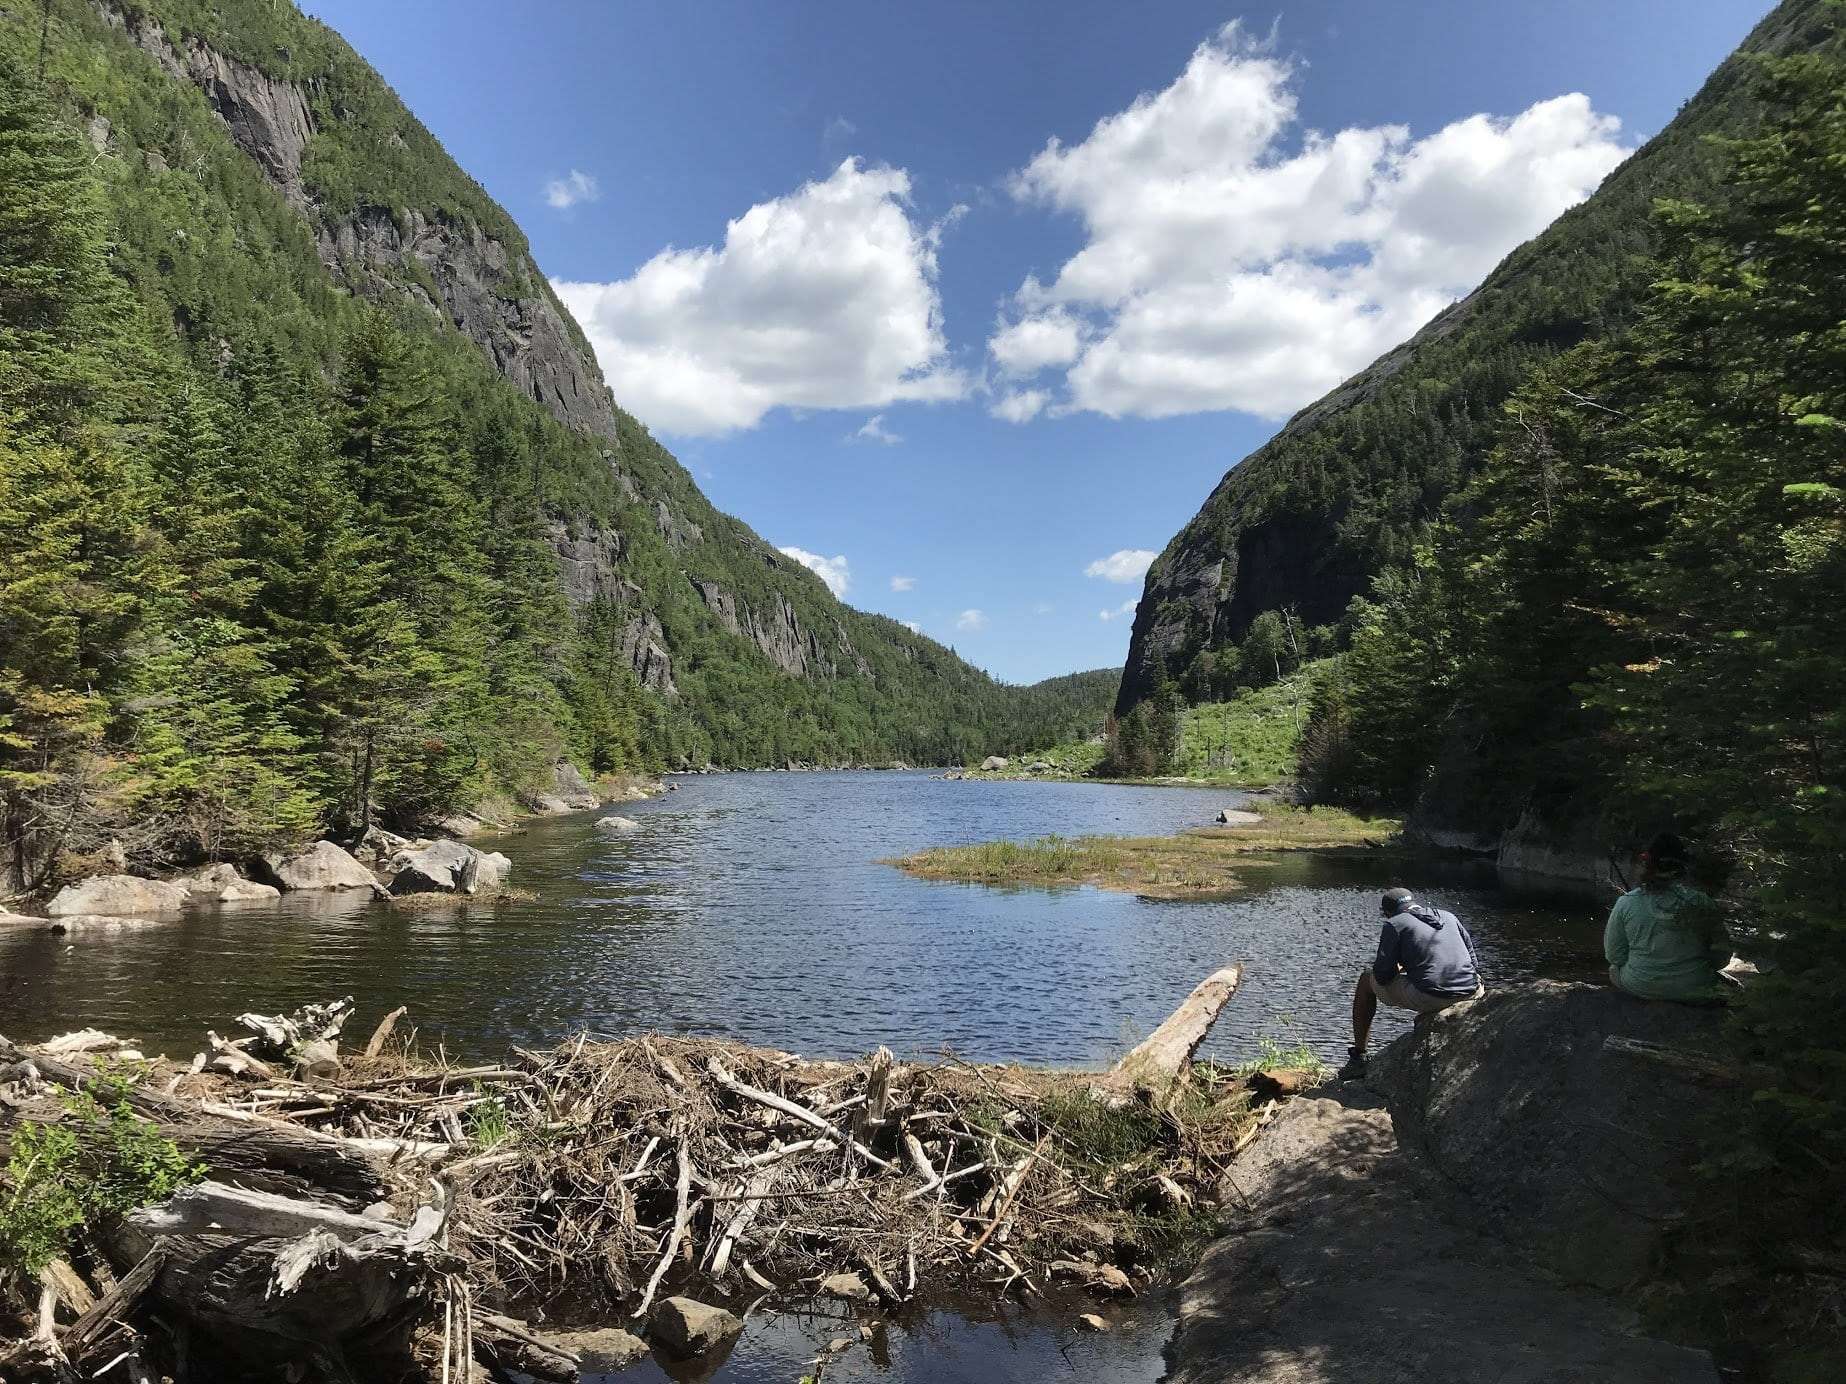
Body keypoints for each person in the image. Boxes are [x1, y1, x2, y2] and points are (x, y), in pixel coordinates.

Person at [1338, 887, 1484, 1080]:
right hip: (1473, 991)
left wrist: (1401, 966)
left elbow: (1382, 976)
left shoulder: (1394, 924)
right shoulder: (1448, 915)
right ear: (1414, 902)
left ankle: (1359, 1057)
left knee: (1366, 979)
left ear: (1386, 912)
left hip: (1434, 997)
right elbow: (1473, 963)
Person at [1605, 833, 1731, 1003]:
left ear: (1647, 863)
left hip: (1638, 985)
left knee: (1613, 970)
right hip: (1695, 988)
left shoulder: (1626, 902)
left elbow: (1614, 956)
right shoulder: (1702, 902)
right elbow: (1722, 956)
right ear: (1683, 866)